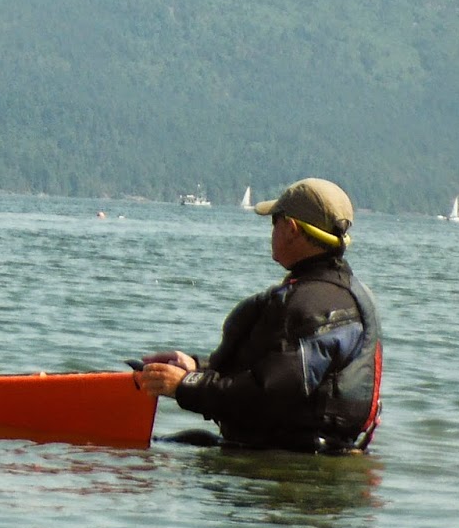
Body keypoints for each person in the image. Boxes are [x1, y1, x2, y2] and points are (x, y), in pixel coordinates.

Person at [134, 178, 383, 452]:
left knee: (153, 451)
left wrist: (184, 386)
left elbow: (268, 394)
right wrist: (197, 367)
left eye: (274, 222)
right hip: (313, 454)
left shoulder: (309, 305)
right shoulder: (347, 293)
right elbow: (280, 370)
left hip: (292, 463)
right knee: (190, 439)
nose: (272, 231)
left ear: (291, 229)